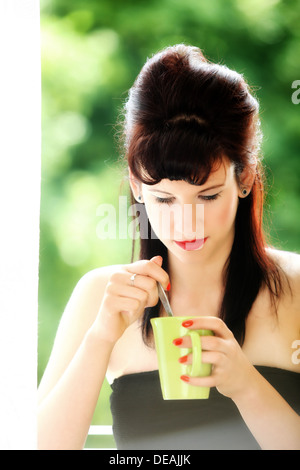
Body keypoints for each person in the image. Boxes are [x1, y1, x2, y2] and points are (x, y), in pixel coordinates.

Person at [38, 44, 300, 450]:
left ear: (245, 178)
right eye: (164, 199)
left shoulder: (296, 289)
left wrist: (247, 386)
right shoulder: (101, 296)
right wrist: (100, 338)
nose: (185, 223)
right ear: (138, 187)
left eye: (208, 196)